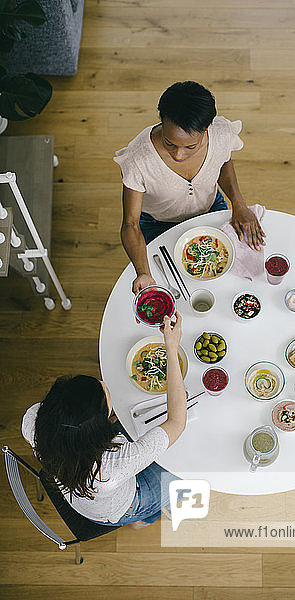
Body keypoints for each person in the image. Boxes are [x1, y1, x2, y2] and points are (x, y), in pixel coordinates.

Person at [21, 314, 185, 529]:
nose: (102, 382)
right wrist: (171, 349)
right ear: (98, 425)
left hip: (82, 491)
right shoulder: (113, 463)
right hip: (120, 506)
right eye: (104, 393)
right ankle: (143, 519)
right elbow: (177, 422)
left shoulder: (34, 418)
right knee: (186, 476)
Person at [114, 80, 266, 294]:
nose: (179, 155)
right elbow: (130, 224)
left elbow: (223, 162)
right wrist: (143, 272)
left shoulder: (221, 134)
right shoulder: (138, 159)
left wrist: (238, 203)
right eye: (169, 143)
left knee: (231, 280)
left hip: (210, 207)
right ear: (161, 120)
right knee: (175, 284)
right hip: (158, 223)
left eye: (190, 146)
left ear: (207, 129)